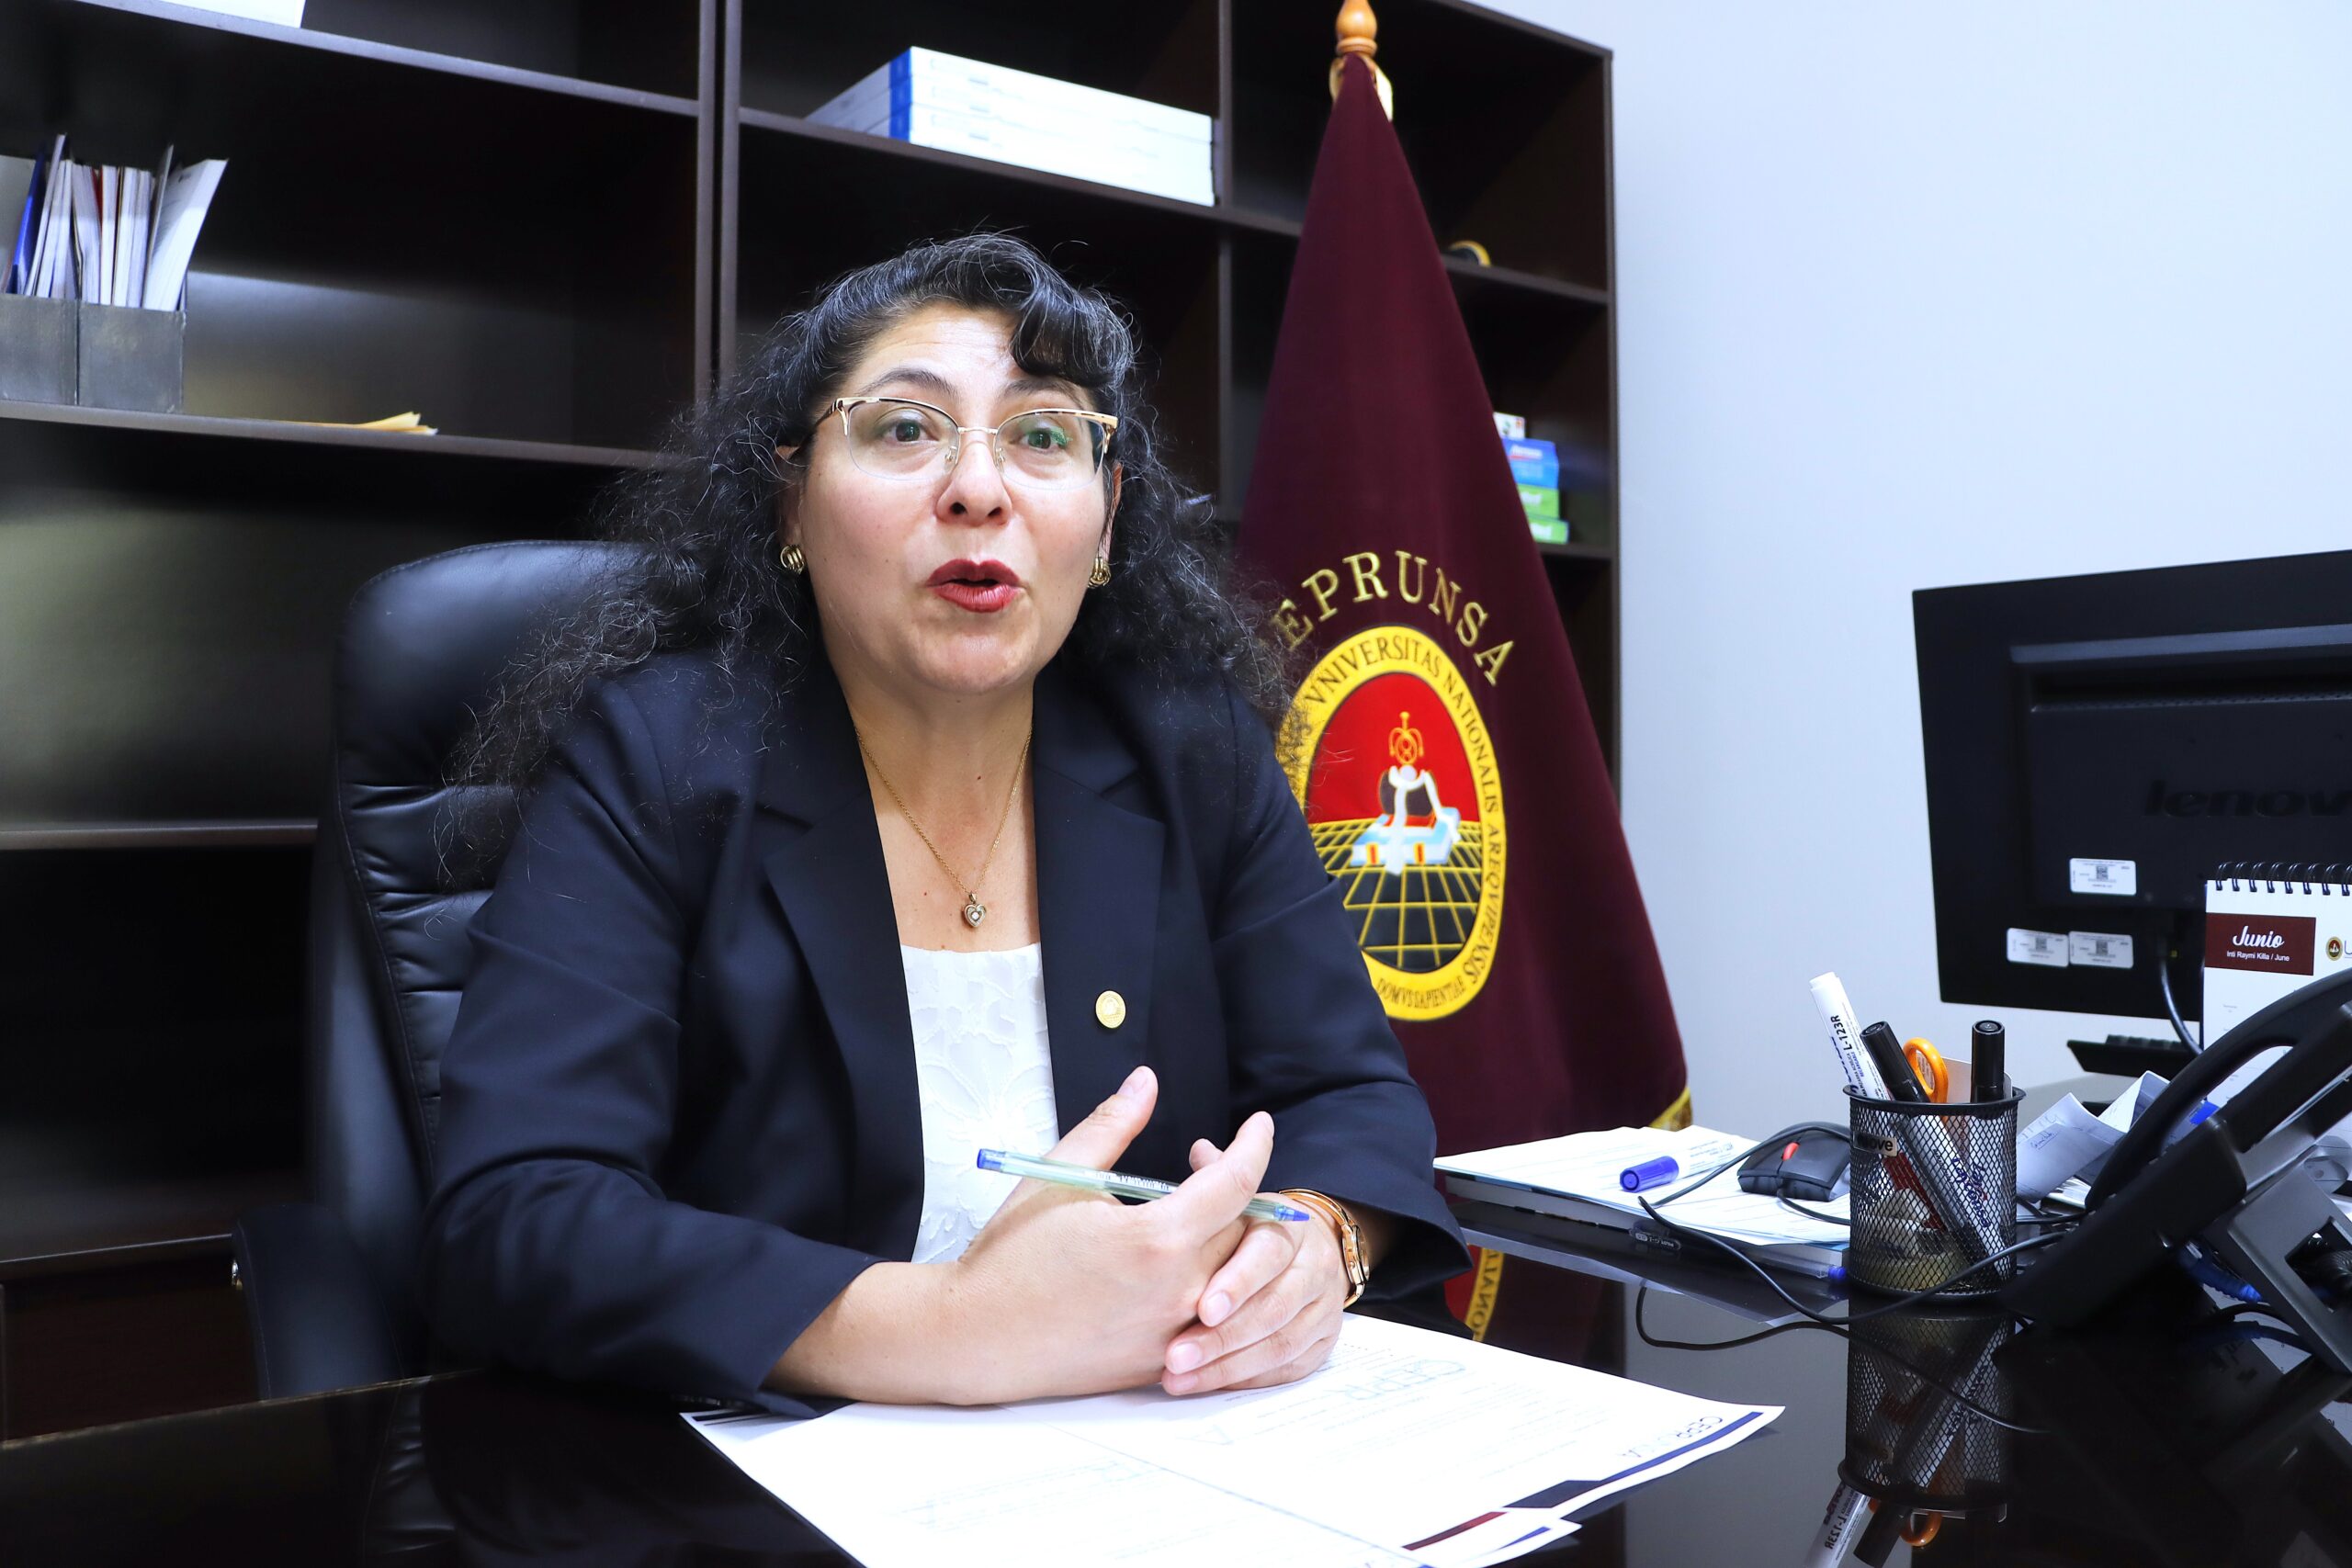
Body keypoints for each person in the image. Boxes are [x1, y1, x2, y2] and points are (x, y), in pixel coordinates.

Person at [421, 233, 1467, 1417]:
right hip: (780, 1475)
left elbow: (1352, 1093)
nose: (980, 490)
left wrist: (1323, 1243)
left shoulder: (1191, 747)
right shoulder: (657, 759)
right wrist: (955, 1328)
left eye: (1043, 436)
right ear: (791, 502)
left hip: (1154, 1448)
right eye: (906, 428)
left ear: (1107, 523)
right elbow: (519, 1216)